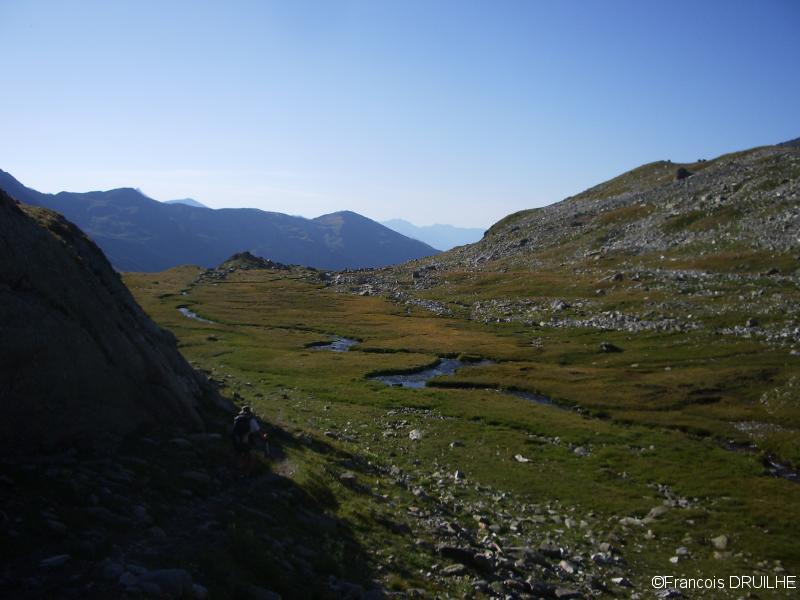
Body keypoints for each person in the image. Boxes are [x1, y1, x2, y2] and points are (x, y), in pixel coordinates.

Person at [231, 406, 267, 473]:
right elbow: (258, 431)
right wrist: (264, 436)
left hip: (236, 440)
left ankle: (236, 470)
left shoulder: (237, 419)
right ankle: (247, 472)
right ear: (250, 413)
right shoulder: (251, 420)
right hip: (246, 441)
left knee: (238, 454)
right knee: (251, 456)